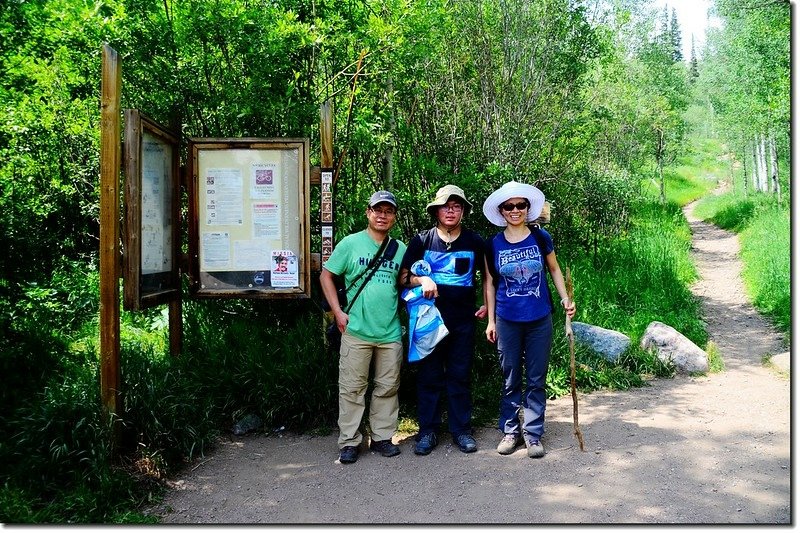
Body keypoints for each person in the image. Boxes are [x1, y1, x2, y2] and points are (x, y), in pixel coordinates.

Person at [481, 181, 576, 458]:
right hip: (507, 318)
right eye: (509, 206)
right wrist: (490, 321)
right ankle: (510, 431)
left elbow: (555, 270)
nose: (515, 210)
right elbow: (489, 282)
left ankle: (533, 434)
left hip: (539, 317)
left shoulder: (540, 237)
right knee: (510, 377)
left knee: (536, 377)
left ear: (527, 208)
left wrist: (565, 300)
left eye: (520, 205)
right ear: (501, 211)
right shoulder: (493, 245)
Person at [320, 190, 407, 464]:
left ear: (393, 216)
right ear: (368, 212)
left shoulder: (400, 249)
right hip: (355, 330)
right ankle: (349, 441)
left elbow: (406, 280)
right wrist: (337, 312)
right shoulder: (350, 244)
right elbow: (326, 275)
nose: (382, 215)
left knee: (387, 386)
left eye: (388, 211)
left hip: (390, 331)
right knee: (351, 388)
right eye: (377, 210)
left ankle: (382, 437)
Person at [399, 185, 487, 455]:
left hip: (463, 321)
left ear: (463, 211)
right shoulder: (421, 241)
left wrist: (488, 306)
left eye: (457, 206)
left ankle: (461, 430)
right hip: (428, 323)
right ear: (436, 211)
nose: (451, 210)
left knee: (460, 376)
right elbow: (402, 279)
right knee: (429, 376)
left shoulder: (474, 241)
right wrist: (421, 278)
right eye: (446, 206)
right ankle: (428, 431)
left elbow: (489, 278)